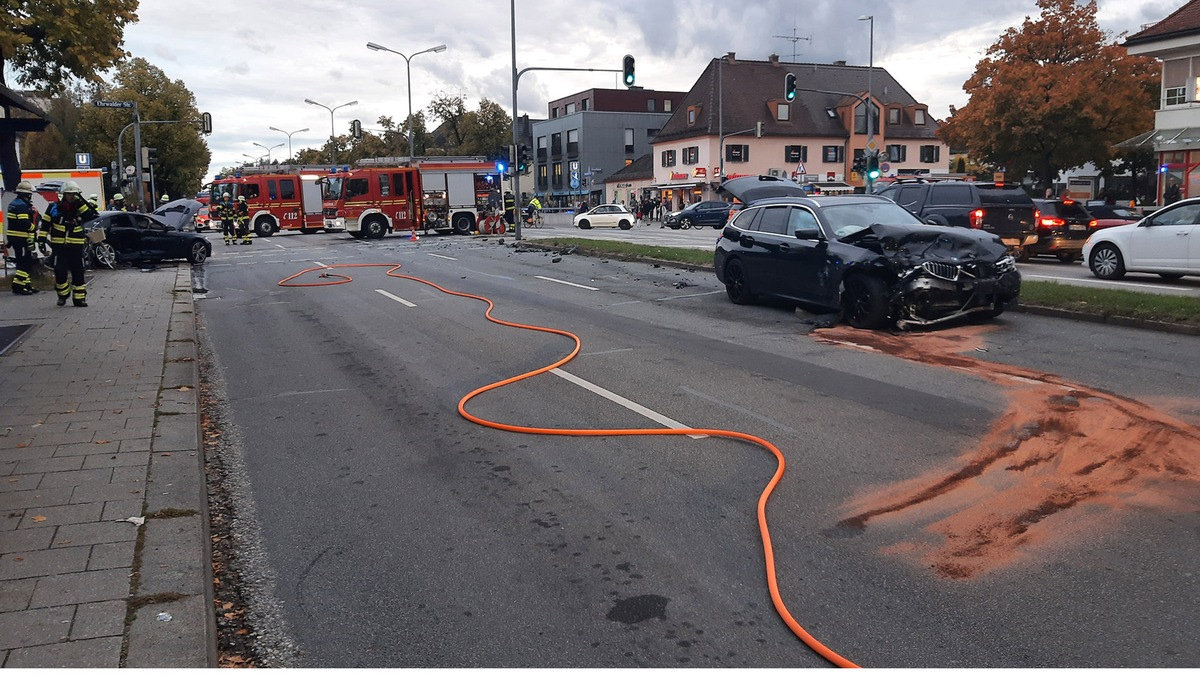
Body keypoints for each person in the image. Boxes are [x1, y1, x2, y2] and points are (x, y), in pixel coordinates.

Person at [46, 181, 97, 307]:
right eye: (69, 194)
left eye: (73, 194)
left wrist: (81, 203)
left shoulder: (80, 206)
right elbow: (46, 224)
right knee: (60, 270)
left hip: (76, 246)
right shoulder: (54, 207)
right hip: (59, 246)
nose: (71, 197)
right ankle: (62, 295)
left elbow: (90, 216)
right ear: (64, 194)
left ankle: (79, 298)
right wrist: (41, 240)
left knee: (78, 272)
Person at [5, 180, 41, 295]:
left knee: (25, 261)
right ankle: (18, 286)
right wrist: (34, 228)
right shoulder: (21, 206)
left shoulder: (15, 203)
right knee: (25, 262)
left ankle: (27, 285)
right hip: (21, 238)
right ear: (26, 194)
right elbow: (24, 223)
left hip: (16, 238)